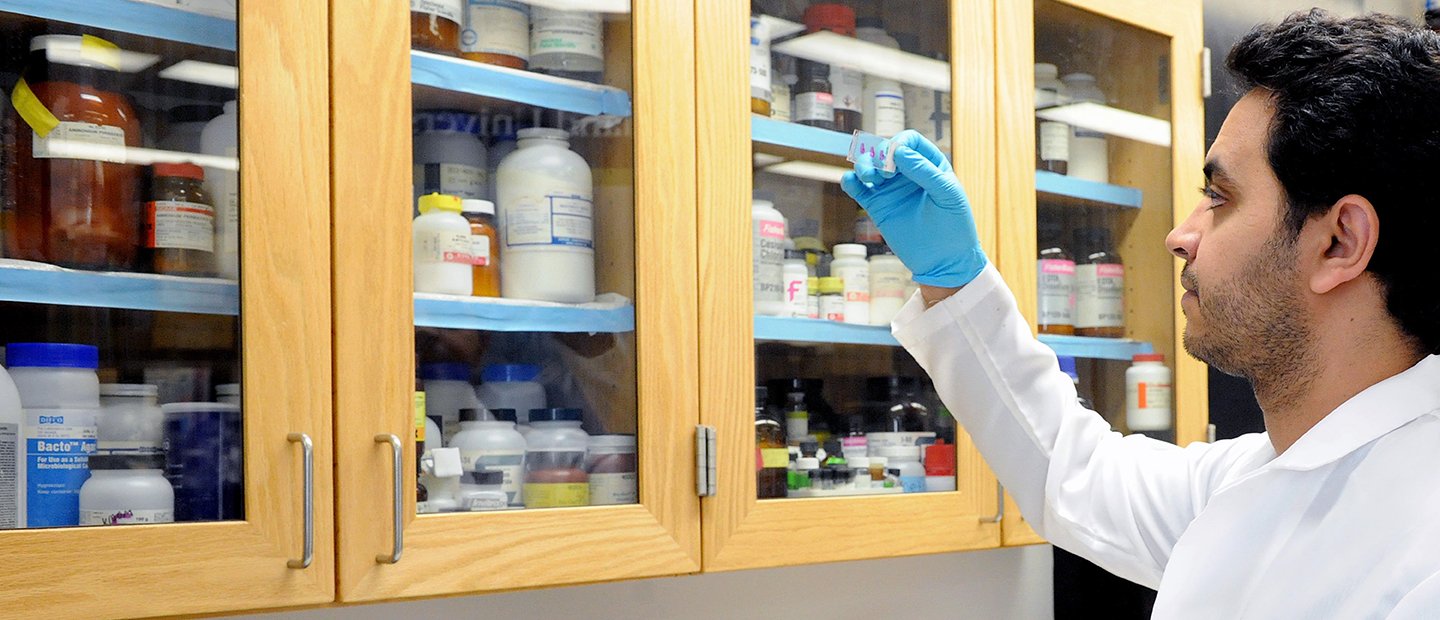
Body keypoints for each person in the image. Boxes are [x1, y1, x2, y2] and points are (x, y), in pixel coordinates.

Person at [841, 10, 1440, 618]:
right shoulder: (1252, 477)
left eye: (1218, 197)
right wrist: (958, 282)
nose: (1179, 236)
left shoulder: (1423, 555)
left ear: (1339, 242)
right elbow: (1072, 472)